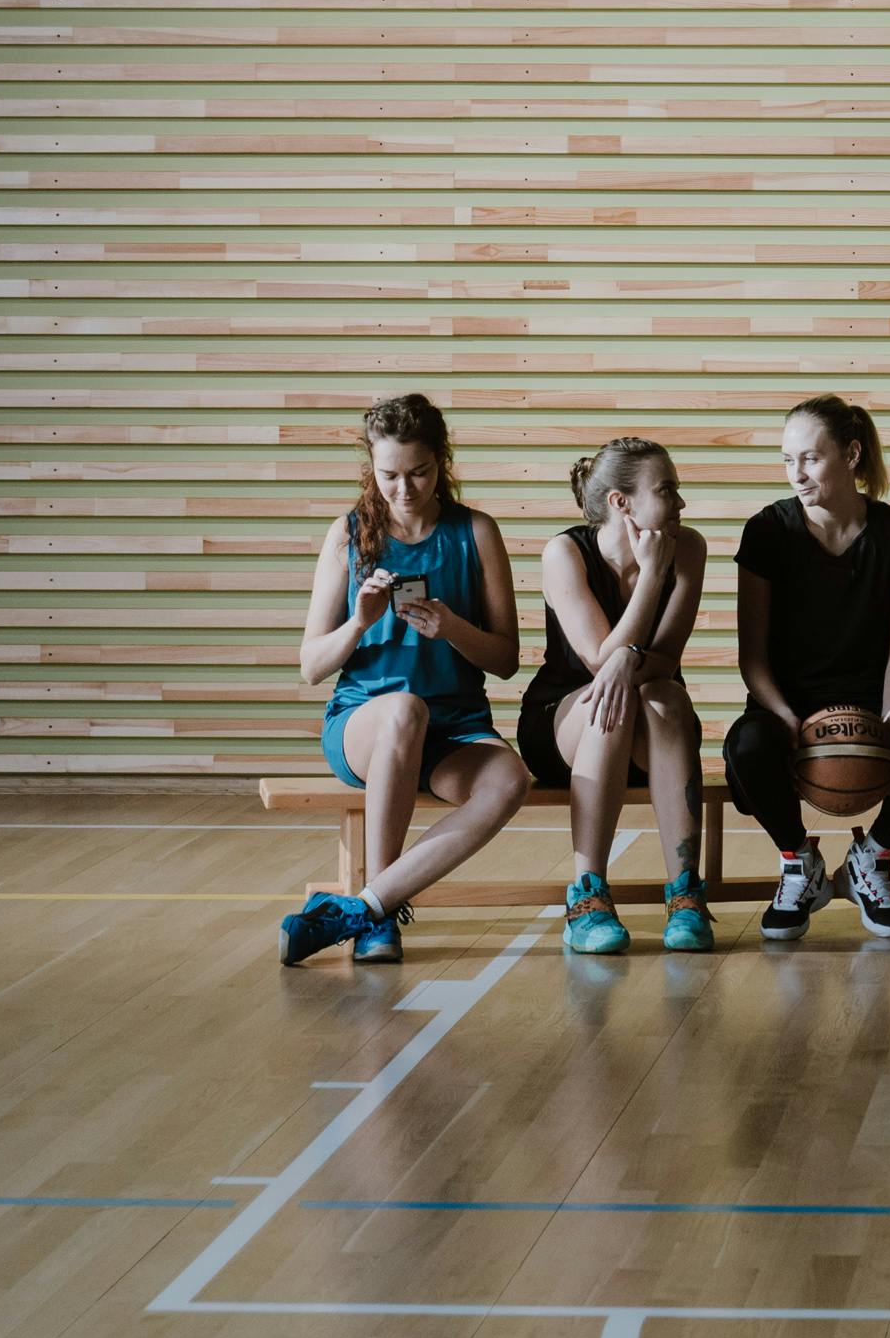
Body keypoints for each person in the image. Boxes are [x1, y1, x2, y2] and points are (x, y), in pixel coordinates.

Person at [284, 390, 531, 966]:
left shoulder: (477, 532)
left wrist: (451, 628)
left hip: (455, 727)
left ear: (441, 462)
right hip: (365, 725)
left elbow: (505, 659)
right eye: (388, 474)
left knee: (510, 782)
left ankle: (369, 906)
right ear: (370, 467)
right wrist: (359, 623)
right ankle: (379, 917)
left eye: (418, 472)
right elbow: (312, 666)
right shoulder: (348, 535)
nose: (403, 489)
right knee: (403, 708)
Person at [729, 395, 890, 946]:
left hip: (868, 703)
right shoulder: (767, 531)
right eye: (788, 460)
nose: (797, 473)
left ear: (852, 455)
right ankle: (799, 864)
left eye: (810, 458)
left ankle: (871, 858)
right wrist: (785, 715)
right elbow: (752, 657)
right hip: (784, 705)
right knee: (745, 748)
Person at [522, 437, 714, 955]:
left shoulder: (689, 547)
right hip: (564, 717)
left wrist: (628, 657)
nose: (680, 503)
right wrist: (651, 574)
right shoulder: (564, 553)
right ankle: (587, 897)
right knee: (615, 698)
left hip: (651, 716)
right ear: (620, 503)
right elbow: (595, 661)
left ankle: (685, 895)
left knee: (665, 698)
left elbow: (666, 657)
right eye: (667, 490)